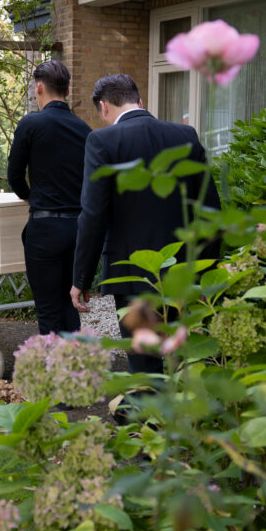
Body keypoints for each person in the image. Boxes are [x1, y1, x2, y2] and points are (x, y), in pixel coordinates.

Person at [70, 74, 220, 377]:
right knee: (185, 360)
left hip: (132, 274)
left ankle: (147, 406)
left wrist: (81, 277)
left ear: (104, 107)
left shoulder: (102, 141)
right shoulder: (185, 135)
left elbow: (93, 214)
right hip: (183, 274)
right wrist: (209, 273)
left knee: (144, 366)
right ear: (140, 101)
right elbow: (210, 210)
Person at [7, 61, 92, 334]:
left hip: (45, 228)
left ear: (39, 88)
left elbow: (14, 176)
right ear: (67, 91)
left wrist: (31, 197)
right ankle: (74, 360)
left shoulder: (31, 124)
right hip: (78, 229)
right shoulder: (84, 129)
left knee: (47, 309)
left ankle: (53, 361)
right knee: (70, 303)